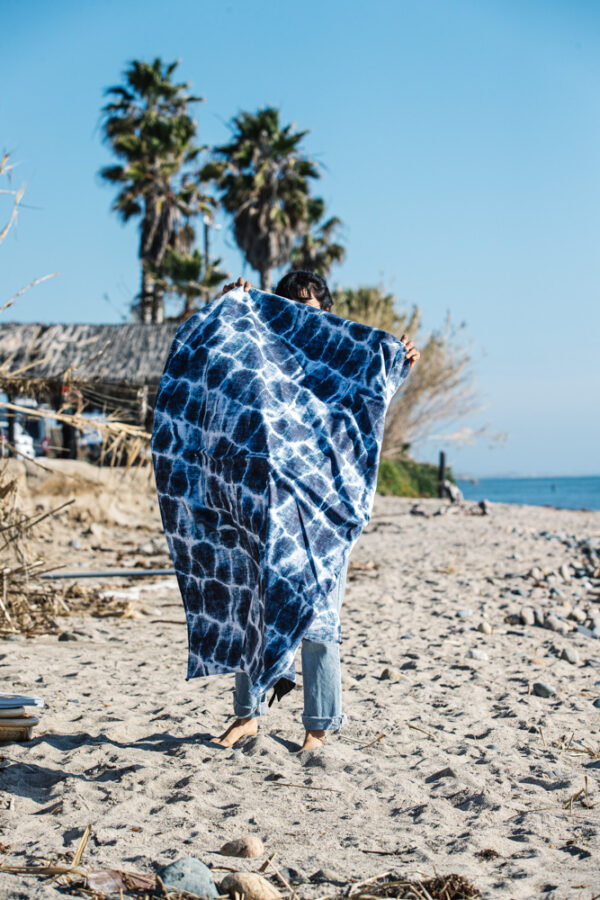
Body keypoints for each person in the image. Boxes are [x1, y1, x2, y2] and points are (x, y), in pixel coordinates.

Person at [213, 273, 420, 751]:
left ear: (326, 312)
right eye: (290, 306)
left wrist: (394, 363)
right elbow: (224, 366)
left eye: (309, 306)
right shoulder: (262, 354)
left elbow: (370, 401)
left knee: (322, 617)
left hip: (327, 506)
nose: (301, 314)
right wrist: (233, 307)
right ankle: (247, 715)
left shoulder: (341, 362)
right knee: (254, 609)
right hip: (266, 502)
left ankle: (318, 727)